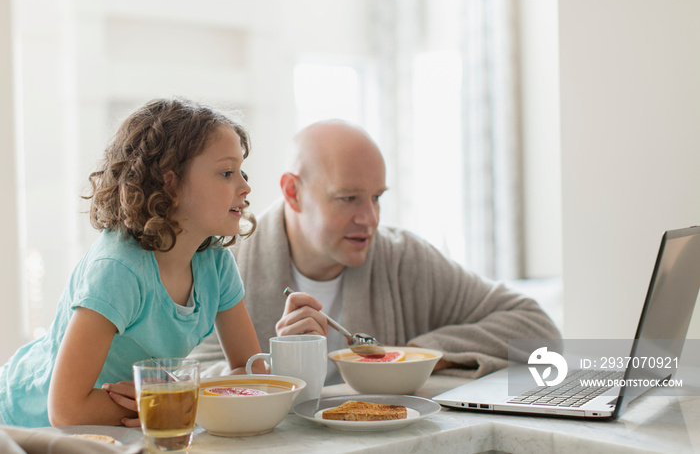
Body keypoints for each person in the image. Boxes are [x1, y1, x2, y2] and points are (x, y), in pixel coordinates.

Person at [190, 119, 561, 384]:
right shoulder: (225, 265)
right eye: (348, 198)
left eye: (377, 198)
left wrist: (415, 355)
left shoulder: (405, 260)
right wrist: (277, 368)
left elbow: (535, 325)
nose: (370, 219)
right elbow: (190, 373)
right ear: (292, 192)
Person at [0, 98, 264, 428]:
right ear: (171, 184)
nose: (245, 186)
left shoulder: (216, 265)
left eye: (242, 171)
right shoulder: (119, 270)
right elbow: (66, 411)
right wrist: (168, 402)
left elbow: (250, 371)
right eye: (226, 173)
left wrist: (177, 397)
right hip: (22, 426)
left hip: (108, 430)